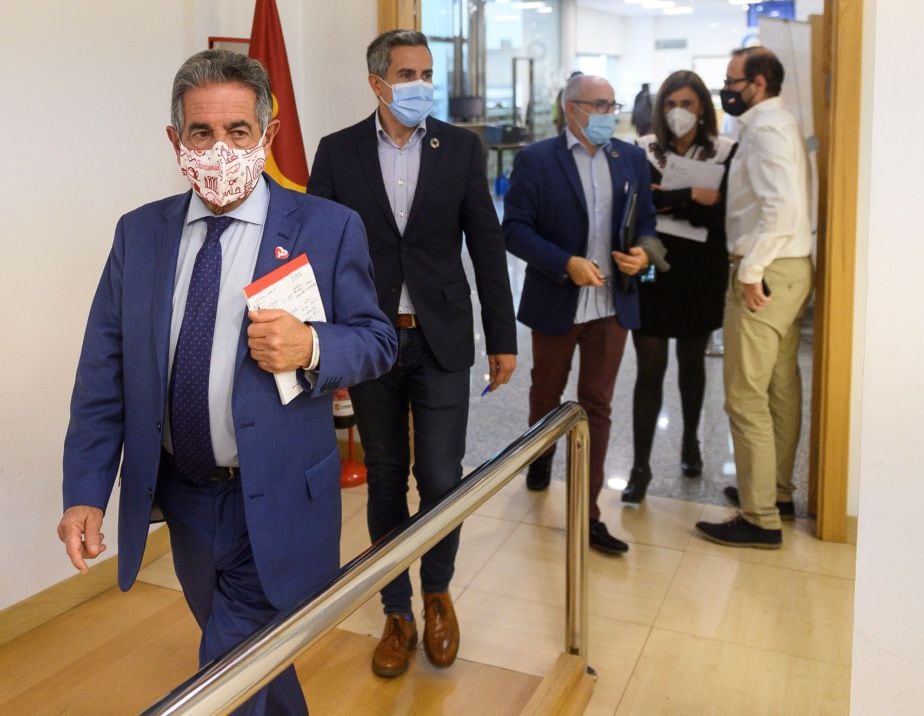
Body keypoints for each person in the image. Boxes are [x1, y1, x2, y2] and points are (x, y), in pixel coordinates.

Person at [57, 49, 396, 715]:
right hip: (183, 496)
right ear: (175, 140)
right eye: (201, 133)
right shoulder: (140, 234)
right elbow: (104, 371)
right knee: (253, 656)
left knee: (225, 676)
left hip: (276, 493)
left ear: (267, 135)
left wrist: (312, 344)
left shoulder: (327, 229)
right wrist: (85, 492)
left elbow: (378, 341)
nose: (219, 149)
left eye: (238, 131)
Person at [308, 29, 517, 679]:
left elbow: (486, 246)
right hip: (369, 340)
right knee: (386, 476)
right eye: (407, 73)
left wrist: (503, 338)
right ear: (377, 82)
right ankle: (396, 609)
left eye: (428, 71)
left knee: (442, 476)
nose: (421, 83)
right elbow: (315, 254)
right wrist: (323, 346)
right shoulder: (337, 152)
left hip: (442, 338)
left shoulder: (459, 147)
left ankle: (437, 593)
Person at [503, 74, 658, 555]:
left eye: (613, 104)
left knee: (597, 403)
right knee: (546, 393)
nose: (610, 113)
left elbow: (648, 223)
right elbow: (515, 230)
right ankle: (540, 454)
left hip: (612, 303)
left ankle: (587, 511)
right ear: (571, 109)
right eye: (599, 104)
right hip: (557, 299)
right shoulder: (535, 160)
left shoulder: (629, 158)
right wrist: (562, 263)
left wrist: (645, 254)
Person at [695, 47, 813, 549]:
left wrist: (751, 271)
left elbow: (779, 208)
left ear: (758, 82)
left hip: (766, 270)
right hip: (792, 267)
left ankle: (759, 516)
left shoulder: (765, 129)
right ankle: (776, 493)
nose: (727, 88)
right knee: (779, 387)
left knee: (745, 396)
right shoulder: (777, 123)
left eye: (731, 79)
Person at [621, 71, 736, 504]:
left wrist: (671, 199)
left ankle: (691, 443)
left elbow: (720, 214)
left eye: (688, 104)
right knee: (649, 370)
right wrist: (691, 196)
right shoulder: (644, 151)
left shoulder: (725, 151)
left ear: (703, 107)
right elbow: (640, 203)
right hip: (653, 267)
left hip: (702, 272)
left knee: (692, 364)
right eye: (671, 104)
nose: (679, 113)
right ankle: (640, 466)